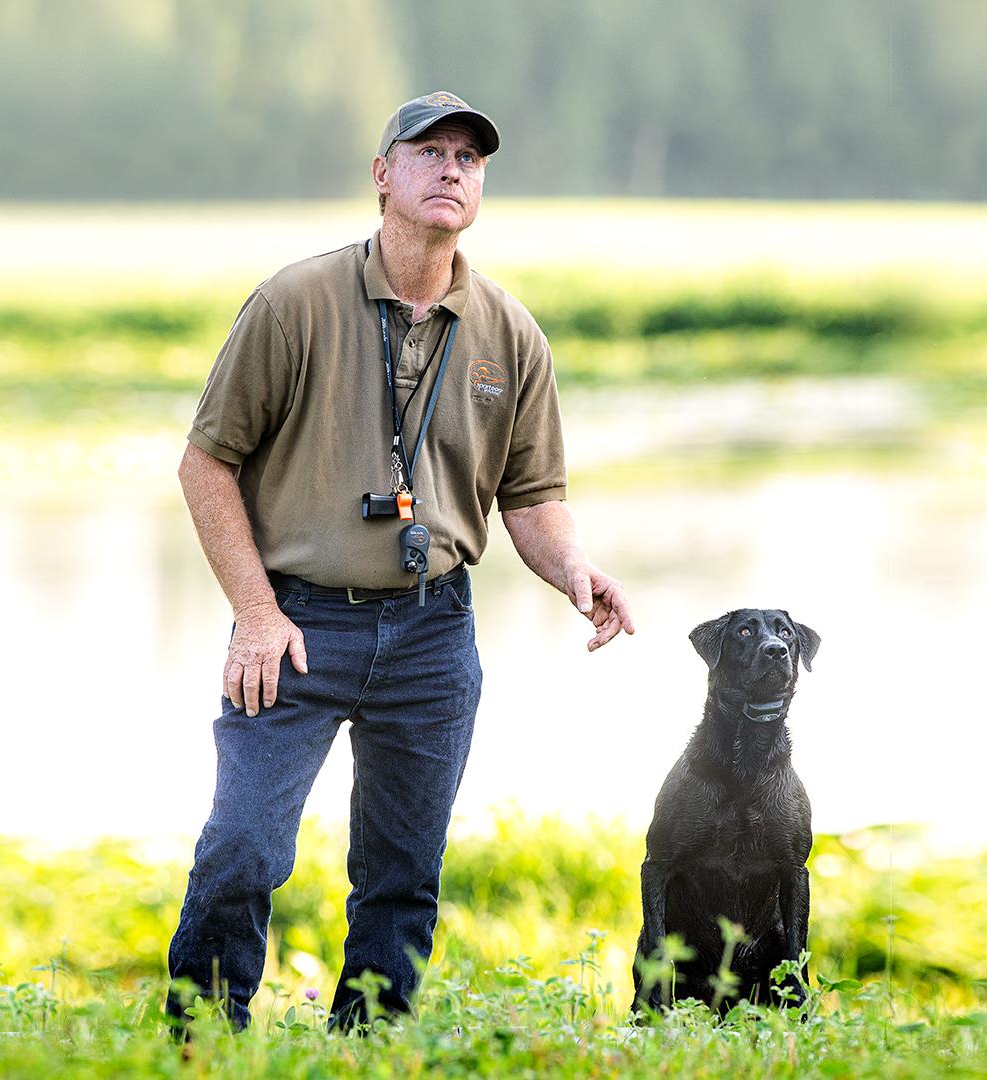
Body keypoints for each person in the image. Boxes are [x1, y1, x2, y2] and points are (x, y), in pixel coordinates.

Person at [164, 91, 634, 1035]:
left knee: (403, 876)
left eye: (470, 157)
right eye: (430, 153)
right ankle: (198, 1048)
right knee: (243, 851)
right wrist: (258, 613)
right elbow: (205, 462)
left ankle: (369, 1047)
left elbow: (532, 497)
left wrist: (576, 570)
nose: (452, 169)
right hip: (295, 626)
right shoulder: (294, 303)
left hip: (433, 634)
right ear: (383, 176)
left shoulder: (510, 333)